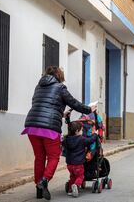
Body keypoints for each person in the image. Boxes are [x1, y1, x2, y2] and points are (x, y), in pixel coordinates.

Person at [22, 66, 96, 200]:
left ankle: (38, 189)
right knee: (53, 157)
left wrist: (62, 114)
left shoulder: (38, 87)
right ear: (59, 76)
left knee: (39, 158)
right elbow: (73, 103)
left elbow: (42, 105)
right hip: (49, 127)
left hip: (32, 125)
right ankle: (44, 181)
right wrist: (88, 109)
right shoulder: (60, 88)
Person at [62, 121, 98, 197]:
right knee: (80, 176)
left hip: (69, 164)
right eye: (81, 130)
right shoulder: (81, 139)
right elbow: (90, 140)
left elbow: (62, 143)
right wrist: (95, 134)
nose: (82, 132)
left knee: (72, 176)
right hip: (78, 164)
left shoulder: (66, 139)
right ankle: (76, 185)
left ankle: (70, 190)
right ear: (77, 131)